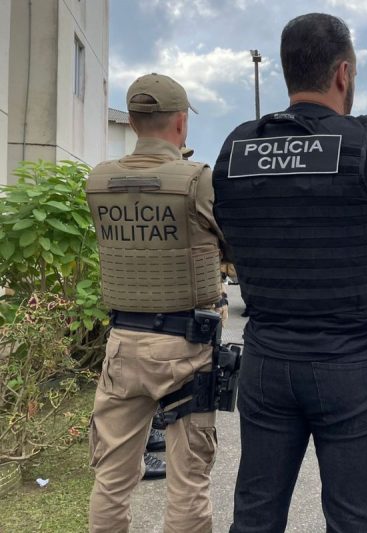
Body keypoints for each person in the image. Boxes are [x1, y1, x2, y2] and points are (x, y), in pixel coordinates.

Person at [212, 13, 367, 533]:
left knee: (256, 516)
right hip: (355, 362)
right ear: (343, 74)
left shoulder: (237, 148)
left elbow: (230, 236)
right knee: (354, 521)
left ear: (288, 71)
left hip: (267, 358)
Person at [86, 73, 228, 532]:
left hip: (123, 344)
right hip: (187, 349)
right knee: (188, 482)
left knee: (111, 479)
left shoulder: (99, 180)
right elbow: (232, 247)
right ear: (181, 122)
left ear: (131, 121)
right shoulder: (197, 181)